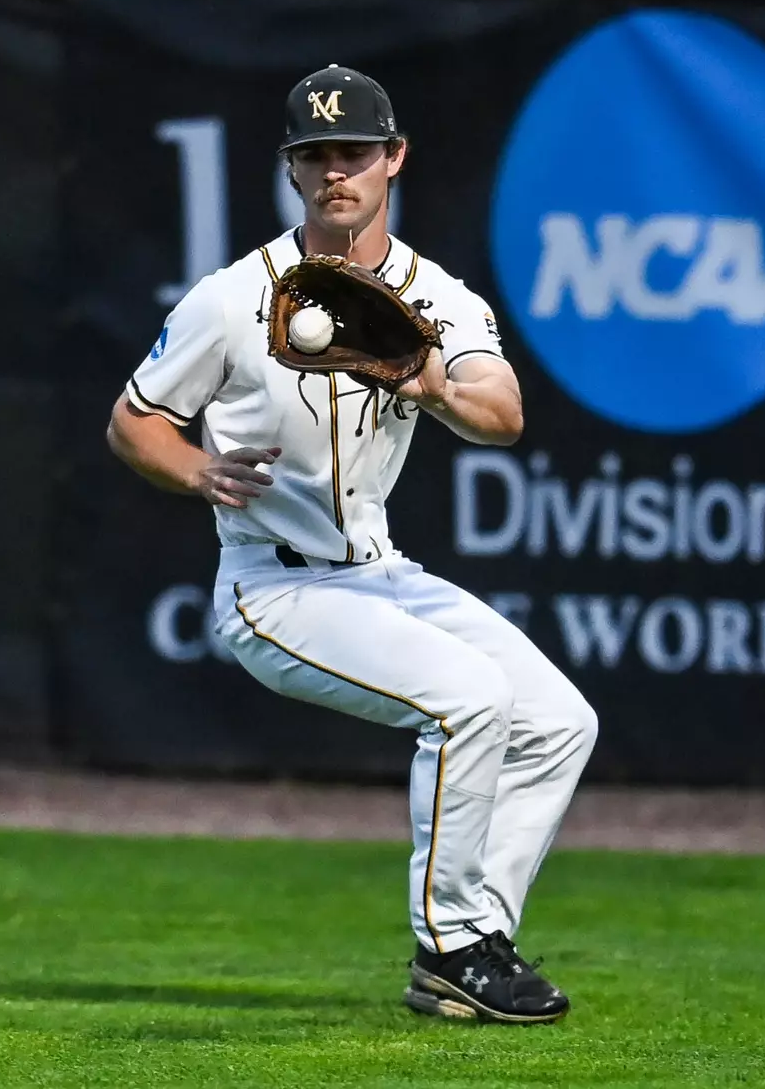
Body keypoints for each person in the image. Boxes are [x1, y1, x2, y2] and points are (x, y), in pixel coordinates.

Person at [106, 64, 598, 1025]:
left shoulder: (434, 296)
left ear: (393, 160)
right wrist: (198, 473)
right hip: (272, 589)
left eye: (356, 154)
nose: (339, 172)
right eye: (317, 156)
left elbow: (502, 414)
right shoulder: (231, 297)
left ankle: (475, 942)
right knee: (470, 700)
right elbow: (133, 423)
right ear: (293, 171)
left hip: (380, 576)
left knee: (557, 719)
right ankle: (452, 943)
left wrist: (431, 386)